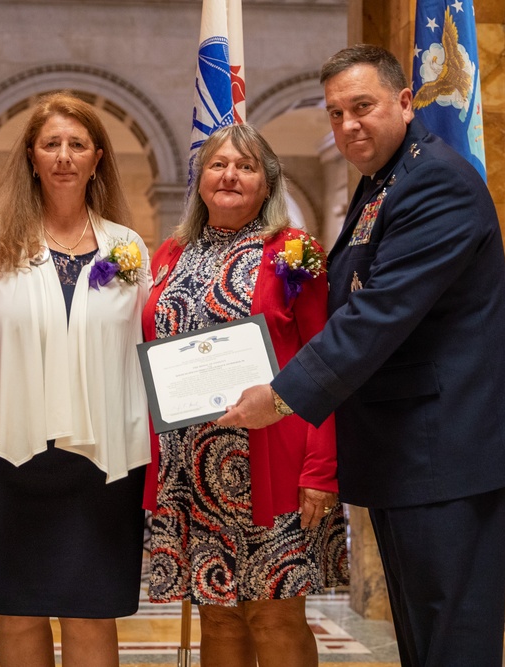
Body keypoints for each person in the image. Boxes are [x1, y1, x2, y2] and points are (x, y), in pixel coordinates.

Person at [219, 45, 505, 667]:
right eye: (335, 114)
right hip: (404, 451)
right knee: (422, 636)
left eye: (362, 107)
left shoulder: (436, 181)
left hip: (444, 449)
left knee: (452, 638)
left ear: (406, 103)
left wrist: (280, 396)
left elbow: (377, 313)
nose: (348, 125)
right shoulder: (382, 184)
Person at [0, 92, 150, 667]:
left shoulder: (128, 247)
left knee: (92, 614)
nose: (64, 156)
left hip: (101, 463)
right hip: (5, 456)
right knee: (17, 615)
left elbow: (147, 347)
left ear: (97, 157)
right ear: (31, 155)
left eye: (77, 145)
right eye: (51, 144)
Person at [143, 123, 340, 667]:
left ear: (267, 182)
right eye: (218, 164)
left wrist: (321, 471)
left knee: (273, 615)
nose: (229, 174)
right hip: (190, 471)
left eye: (246, 166)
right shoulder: (168, 255)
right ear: (199, 178)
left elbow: (326, 363)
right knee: (219, 616)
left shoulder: (294, 252)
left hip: (272, 464)